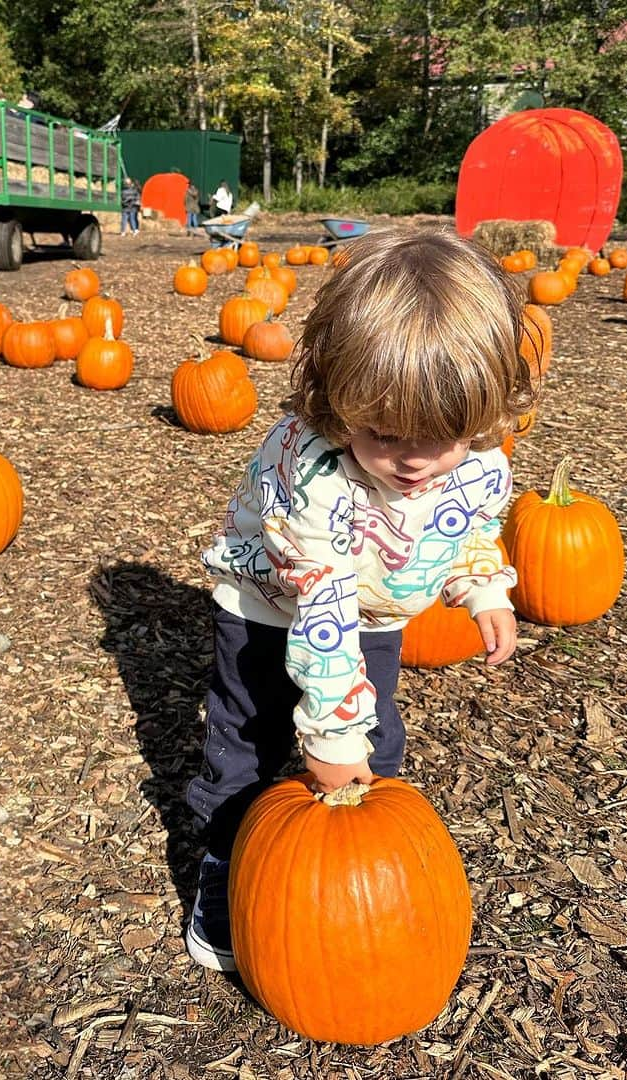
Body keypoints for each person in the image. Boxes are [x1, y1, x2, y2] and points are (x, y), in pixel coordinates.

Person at [183, 225, 536, 972]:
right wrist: (331, 751)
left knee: (376, 737)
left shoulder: (477, 461)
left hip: (373, 607)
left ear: (484, 415)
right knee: (245, 738)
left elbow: (468, 526)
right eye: (381, 435)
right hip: (274, 603)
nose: (412, 461)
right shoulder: (317, 481)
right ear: (337, 403)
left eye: (440, 441)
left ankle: (374, 863)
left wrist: (482, 587)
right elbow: (323, 621)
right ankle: (225, 861)